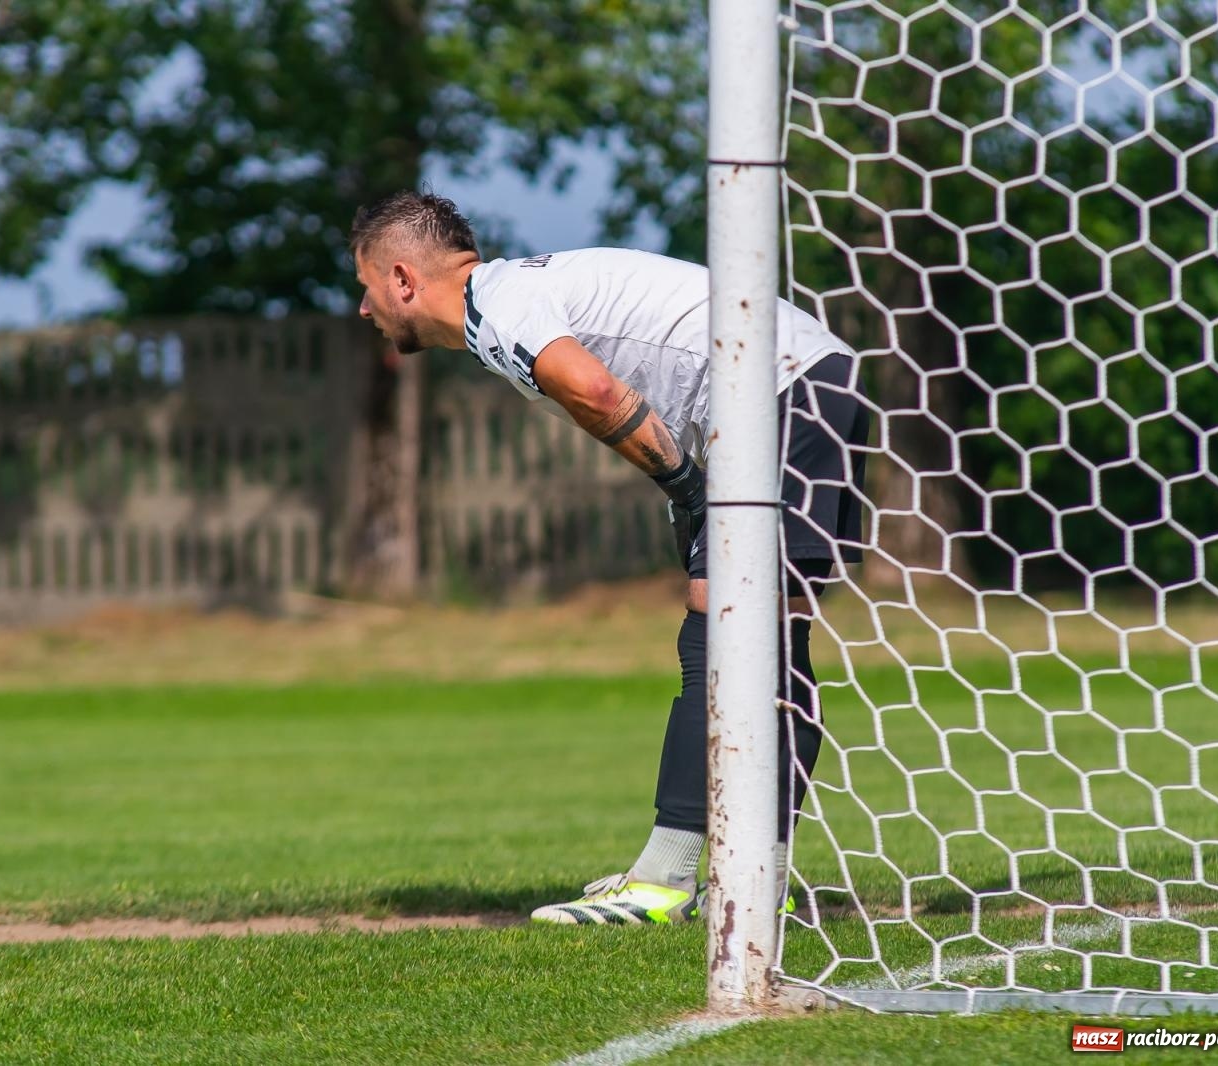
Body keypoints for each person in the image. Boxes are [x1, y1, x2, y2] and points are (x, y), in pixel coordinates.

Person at [349, 190, 870, 925]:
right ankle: (755, 880)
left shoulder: (500, 305)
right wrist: (688, 487)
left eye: (367, 288)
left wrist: (685, 486)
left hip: (780, 392)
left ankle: (664, 881)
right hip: (803, 381)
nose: (365, 310)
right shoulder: (509, 295)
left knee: (725, 632)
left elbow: (593, 390)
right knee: (770, 639)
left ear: (404, 278)